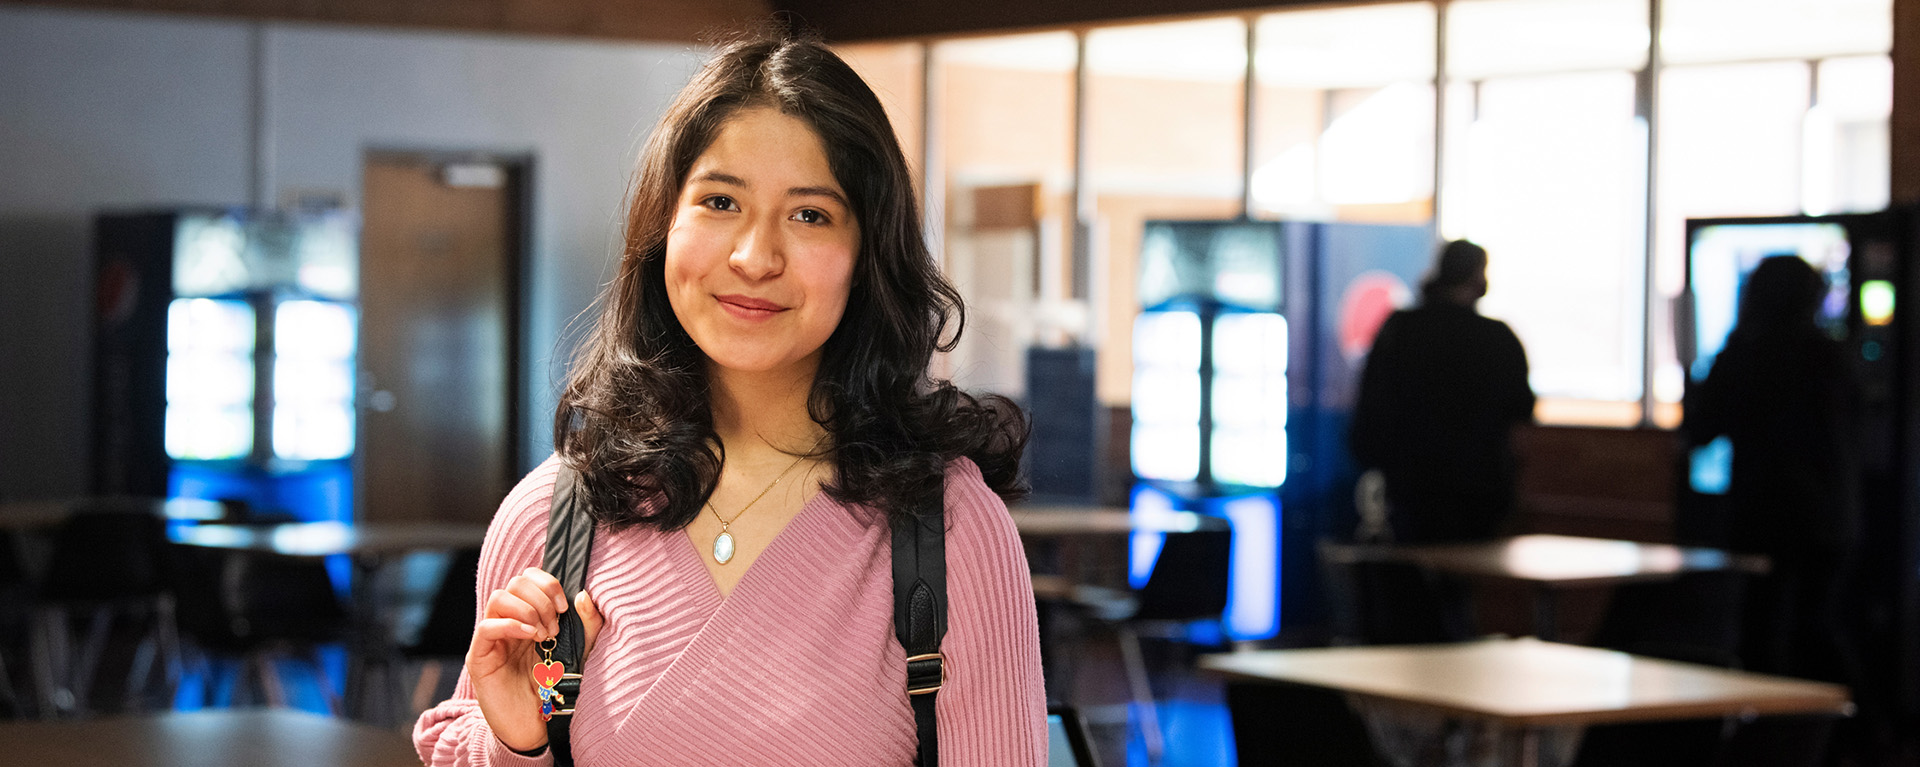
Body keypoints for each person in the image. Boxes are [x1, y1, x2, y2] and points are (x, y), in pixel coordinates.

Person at [414, 32, 1045, 766]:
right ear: (663, 228)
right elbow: (513, 727)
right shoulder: (556, 519)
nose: (754, 257)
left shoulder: (948, 526)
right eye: (720, 201)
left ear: (868, 253)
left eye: (810, 214)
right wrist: (516, 739)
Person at [1684, 255, 1859, 683]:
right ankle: (1848, 734)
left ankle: (1768, 737)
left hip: (1764, 519)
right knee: (1815, 629)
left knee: (1762, 636)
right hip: (1831, 520)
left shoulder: (1746, 355)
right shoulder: (1833, 357)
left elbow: (1700, 429)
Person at [1350, 239, 1536, 544]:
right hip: (1479, 488)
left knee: (1414, 581)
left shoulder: (1400, 329)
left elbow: (1372, 408)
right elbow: (1521, 409)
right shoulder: (1497, 339)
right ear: (1479, 279)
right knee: (1467, 579)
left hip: (1410, 486)